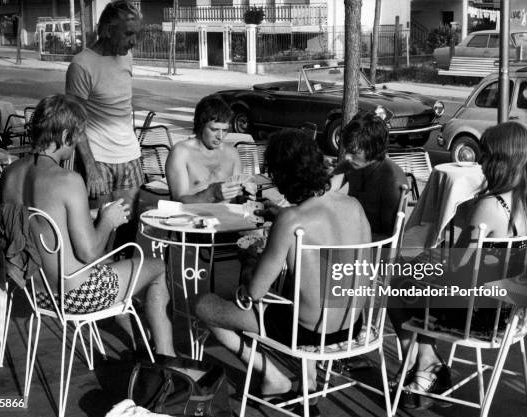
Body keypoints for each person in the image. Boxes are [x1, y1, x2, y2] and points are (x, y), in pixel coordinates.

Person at [195, 129, 372, 412]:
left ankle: (274, 378)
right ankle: (307, 378)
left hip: (309, 333)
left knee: (205, 306)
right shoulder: (355, 206)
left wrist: (251, 255)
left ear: (284, 176)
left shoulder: (292, 219)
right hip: (354, 325)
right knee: (305, 289)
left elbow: (254, 292)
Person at [389, 122, 527, 408]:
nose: (480, 162)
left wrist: (423, 263)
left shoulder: (490, 207)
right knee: (419, 281)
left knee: (397, 285)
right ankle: (426, 363)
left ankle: (420, 363)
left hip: (477, 316)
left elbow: (456, 267)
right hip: (512, 311)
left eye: (485, 155)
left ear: (500, 161)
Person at [1, 94, 175, 356]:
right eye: (79, 136)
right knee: (157, 268)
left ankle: (134, 327)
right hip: (76, 295)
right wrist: (107, 220)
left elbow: (42, 225)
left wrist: (90, 216)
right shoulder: (67, 179)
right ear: (67, 134)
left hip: (38, 293)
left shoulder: (11, 173)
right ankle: (165, 359)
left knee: (114, 268)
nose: (77, 145)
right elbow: (89, 253)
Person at [65, 0, 142, 248]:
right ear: (108, 30)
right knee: (100, 236)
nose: (133, 42)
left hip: (129, 156)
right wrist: (90, 167)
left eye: (135, 34)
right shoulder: (82, 65)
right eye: (128, 34)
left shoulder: (126, 57)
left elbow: (122, 106)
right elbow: (74, 119)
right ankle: (97, 285)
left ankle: (125, 284)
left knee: (127, 235)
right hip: (98, 159)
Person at [331, 112, 407, 239]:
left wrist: (345, 236)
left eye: (354, 152)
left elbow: (392, 237)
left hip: (372, 250)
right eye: (347, 150)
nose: (347, 157)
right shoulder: (352, 164)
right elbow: (325, 190)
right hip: (353, 235)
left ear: (372, 148)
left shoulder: (392, 182)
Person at [166, 94, 253, 203]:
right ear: (200, 125)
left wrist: (245, 197)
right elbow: (178, 201)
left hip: (226, 216)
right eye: (214, 129)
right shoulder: (181, 153)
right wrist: (211, 194)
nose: (220, 136)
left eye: (225, 130)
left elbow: (237, 196)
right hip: (192, 216)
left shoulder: (232, 154)